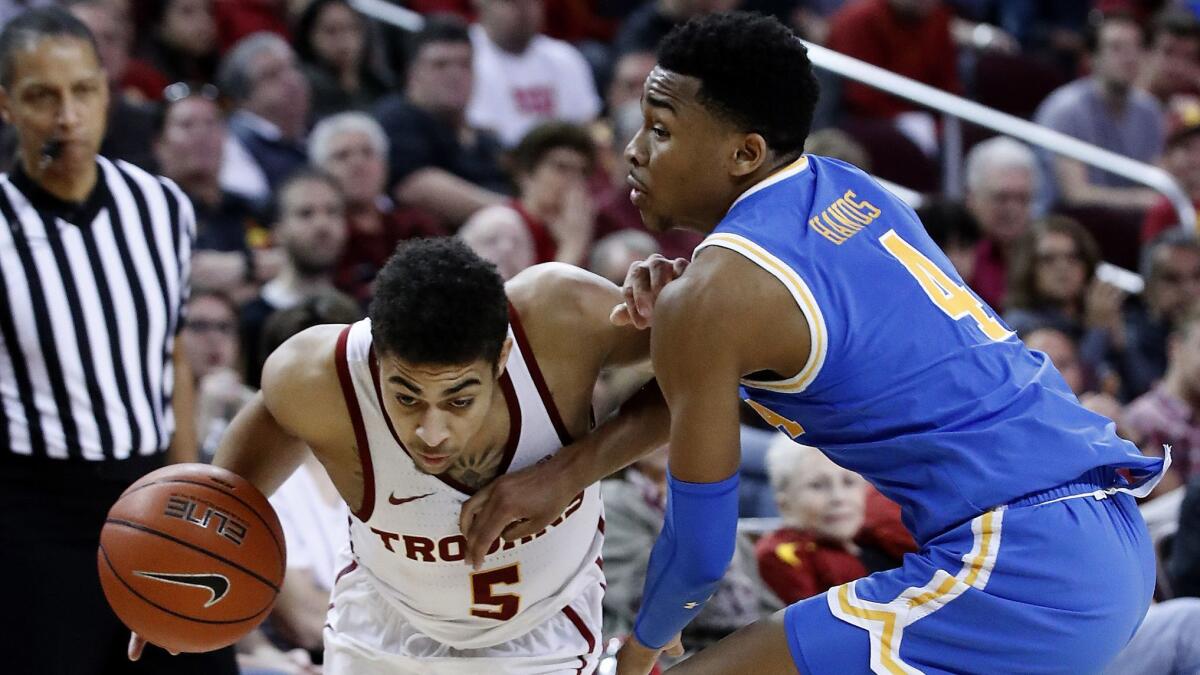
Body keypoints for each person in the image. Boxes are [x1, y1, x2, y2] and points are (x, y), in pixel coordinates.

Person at [595, 13, 1164, 673]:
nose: (634, 149)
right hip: (1107, 526)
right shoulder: (852, 191)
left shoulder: (722, 291)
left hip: (1018, 557)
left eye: (660, 130)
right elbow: (708, 361)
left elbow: (699, 553)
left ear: (746, 152)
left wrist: (641, 649)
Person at [179, 237, 671, 673]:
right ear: (377, 359)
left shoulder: (561, 318)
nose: (431, 431)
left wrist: (567, 472)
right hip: (380, 635)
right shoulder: (314, 378)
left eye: (459, 399)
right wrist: (170, 579)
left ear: (502, 355)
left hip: (541, 635)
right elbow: (223, 508)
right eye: (407, 397)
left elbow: (712, 368)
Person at [0, 7, 235, 673]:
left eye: (83, 91)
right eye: (43, 96)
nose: (67, 117)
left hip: (152, 493)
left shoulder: (161, 206)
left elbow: (170, 353)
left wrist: (193, 497)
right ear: (7, 106)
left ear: (107, 92)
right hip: (34, 513)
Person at [373, 16, 509, 226]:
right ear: (412, 73)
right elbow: (415, 187)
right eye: (440, 65)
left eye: (465, 65)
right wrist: (516, 213)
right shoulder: (397, 119)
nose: (455, 75)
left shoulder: (485, 137)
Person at [308, 112, 443, 305]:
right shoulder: (319, 234)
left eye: (368, 152)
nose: (358, 163)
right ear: (319, 172)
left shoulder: (415, 223)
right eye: (342, 156)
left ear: (385, 165)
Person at [1034, 12, 1164, 211]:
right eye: (1116, 48)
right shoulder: (1065, 109)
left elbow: (1156, 179)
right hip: (1067, 223)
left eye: (1136, 47)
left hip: (1127, 224)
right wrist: (1143, 199)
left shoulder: (1149, 110)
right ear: (1090, 58)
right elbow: (1076, 194)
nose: (1129, 57)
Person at [239, 168, 347, 387]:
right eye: (305, 213)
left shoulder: (360, 313)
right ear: (277, 231)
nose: (322, 224)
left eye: (332, 212)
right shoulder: (250, 319)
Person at [466, 0, 601, 147]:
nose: (523, 11)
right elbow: (473, 130)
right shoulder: (463, 57)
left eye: (531, 2)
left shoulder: (565, 57)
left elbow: (587, 123)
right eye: (511, 3)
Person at [216, 32, 311, 206]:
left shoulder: (318, 132)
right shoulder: (231, 144)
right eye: (271, 75)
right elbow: (253, 208)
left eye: (293, 67)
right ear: (243, 98)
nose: (291, 80)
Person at [961, 136, 1038, 310]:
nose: (1013, 210)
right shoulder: (948, 252)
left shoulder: (1046, 254)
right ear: (972, 198)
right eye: (1002, 198)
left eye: (1022, 199)